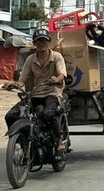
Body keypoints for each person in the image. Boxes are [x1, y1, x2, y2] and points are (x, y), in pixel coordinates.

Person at [4, 28, 68, 159]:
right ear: (34, 43)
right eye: (38, 41)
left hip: (52, 92)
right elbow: (22, 81)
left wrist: (56, 79)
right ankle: (22, 142)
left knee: (48, 114)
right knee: (10, 116)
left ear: (49, 42)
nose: (41, 44)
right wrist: (12, 84)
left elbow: (62, 74)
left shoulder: (56, 56)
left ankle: (59, 143)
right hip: (35, 94)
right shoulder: (30, 59)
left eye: (44, 41)